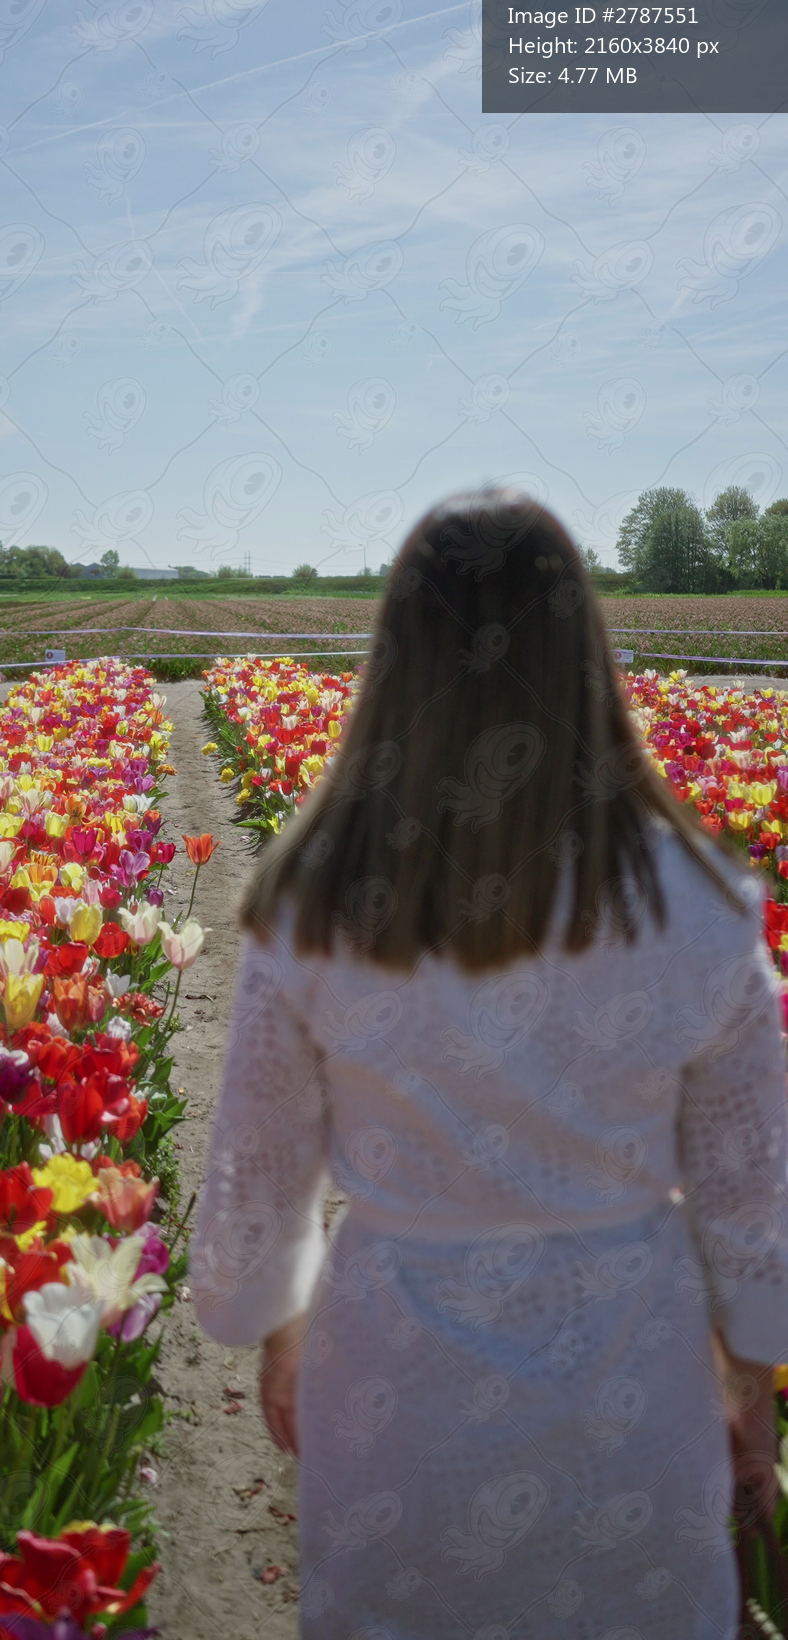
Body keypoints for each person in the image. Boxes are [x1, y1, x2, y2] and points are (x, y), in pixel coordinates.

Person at [191, 490, 788, 1639]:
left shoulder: (319, 900)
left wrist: (282, 1331)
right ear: (583, 658)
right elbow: (750, 1197)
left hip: (396, 1380)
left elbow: (257, 1177)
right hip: (627, 1376)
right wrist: (749, 1386)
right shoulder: (696, 905)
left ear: (396, 667)